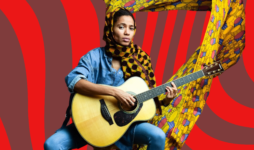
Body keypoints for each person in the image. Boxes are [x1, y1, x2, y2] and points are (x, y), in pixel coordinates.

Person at [44, 8, 178, 150]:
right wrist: (114, 92)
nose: (127, 32)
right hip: (89, 122)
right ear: (110, 29)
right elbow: (74, 81)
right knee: (52, 145)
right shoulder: (94, 57)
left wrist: (166, 100)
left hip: (125, 126)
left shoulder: (141, 60)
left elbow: (145, 100)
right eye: (121, 27)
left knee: (158, 136)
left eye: (131, 28)